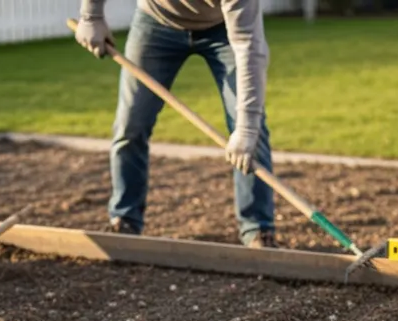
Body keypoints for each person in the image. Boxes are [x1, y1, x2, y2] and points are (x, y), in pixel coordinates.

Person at [75, 0, 277, 249]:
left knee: (249, 129)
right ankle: (125, 219)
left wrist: (246, 129)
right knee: (131, 125)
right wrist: (91, 16)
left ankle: (257, 230)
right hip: (155, 21)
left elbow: (249, 48)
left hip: (222, 28)